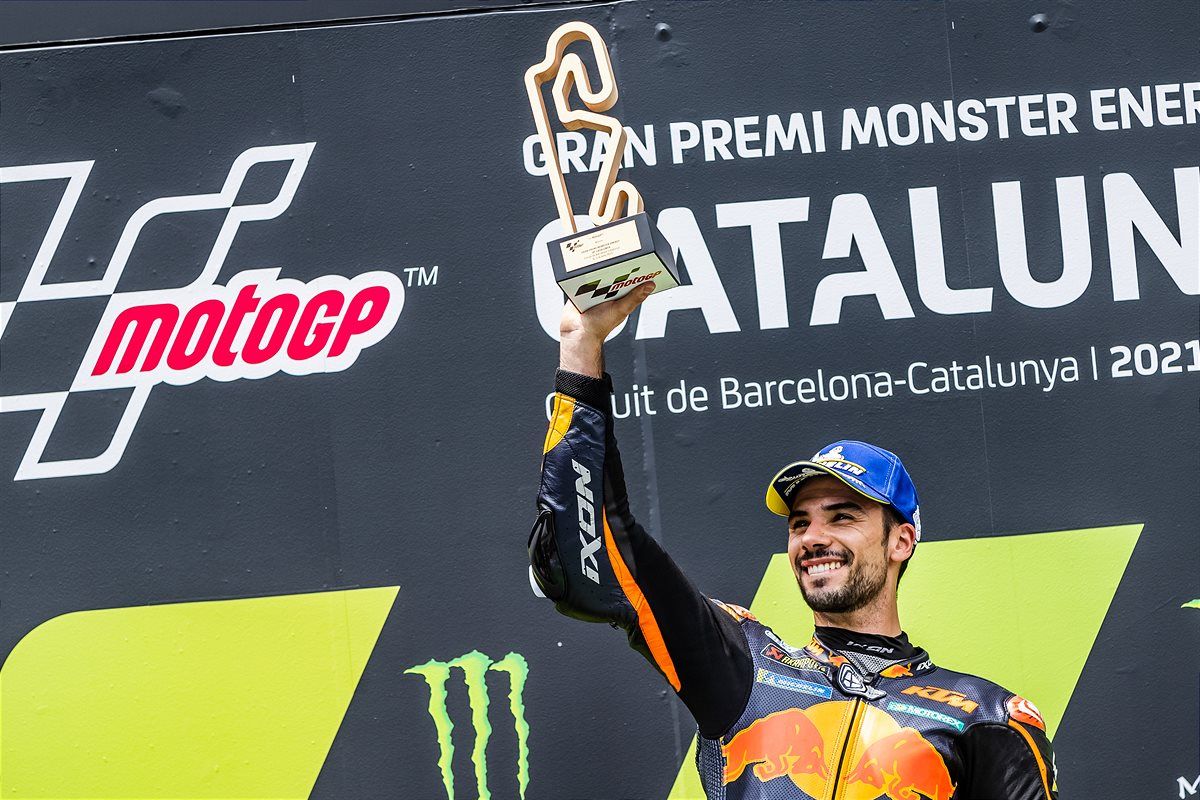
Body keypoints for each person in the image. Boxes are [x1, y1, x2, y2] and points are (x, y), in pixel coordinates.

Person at [528, 283, 1059, 800]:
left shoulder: (986, 718)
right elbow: (594, 560)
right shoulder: (744, 665)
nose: (814, 538)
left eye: (842, 516)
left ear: (901, 541)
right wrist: (582, 345)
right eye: (800, 522)